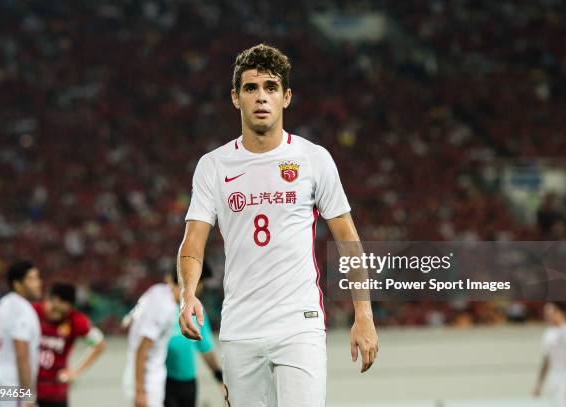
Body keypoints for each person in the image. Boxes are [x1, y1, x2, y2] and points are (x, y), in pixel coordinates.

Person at [178, 43, 379, 407]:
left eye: (271, 87)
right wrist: (187, 295)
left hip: (298, 324)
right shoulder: (214, 166)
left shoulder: (314, 160)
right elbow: (193, 243)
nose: (261, 97)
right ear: (235, 98)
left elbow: (348, 241)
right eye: (251, 88)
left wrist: (363, 314)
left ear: (286, 97)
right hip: (240, 328)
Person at [34, 283, 106, 407]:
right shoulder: (32, 312)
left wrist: (76, 372)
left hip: (55, 391)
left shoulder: (77, 321)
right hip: (26, 387)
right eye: (52, 307)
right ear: (47, 300)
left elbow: (99, 344)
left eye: (60, 310)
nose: (54, 313)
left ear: (69, 307)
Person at [164, 263, 224, 407]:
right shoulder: (162, 307)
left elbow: (205, 347)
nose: (201, 289)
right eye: (201, 283)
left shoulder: (196, 308)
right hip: (164, 381)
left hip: (188, 383)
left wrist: (219, 377)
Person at [0, 261, 42, 407]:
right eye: (32, 279)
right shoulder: (22, 309)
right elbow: (22, 354)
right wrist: (28, 396)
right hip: (12, 384)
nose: (38, 283)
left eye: (37, 278)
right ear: (17, 284)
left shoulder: (5, 302)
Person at [123, 279, 177, 407]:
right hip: (148, 382)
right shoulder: (166, 307)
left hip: (136, 375)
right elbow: (142, 348)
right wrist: (140, 391)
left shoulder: (157, 290)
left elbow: (132, 316)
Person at [533, 302, 566, 407]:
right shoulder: (548, 334)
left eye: (550, 313)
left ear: (560, 313)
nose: (548, 317)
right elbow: (546, 360)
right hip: (554, 376)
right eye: (546, 315)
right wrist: (539, 384)